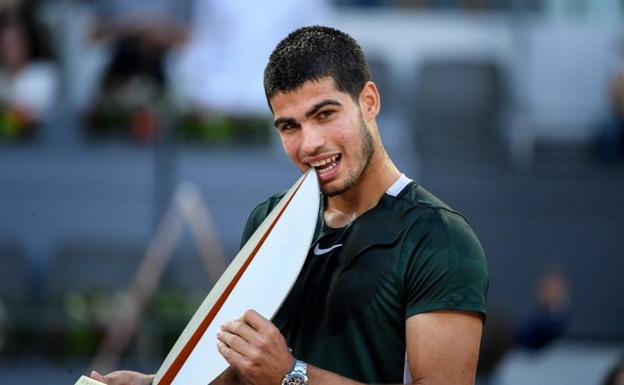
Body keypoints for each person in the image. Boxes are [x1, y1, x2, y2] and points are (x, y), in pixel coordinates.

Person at [91, 26, 489, 385]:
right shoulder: (269, 219)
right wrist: (154, 384)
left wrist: (291, 375)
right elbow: (241, 372)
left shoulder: (440, 238)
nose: (310, 143)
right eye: (289, 126)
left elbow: (277, 372)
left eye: (325, 114)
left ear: (368, 102)